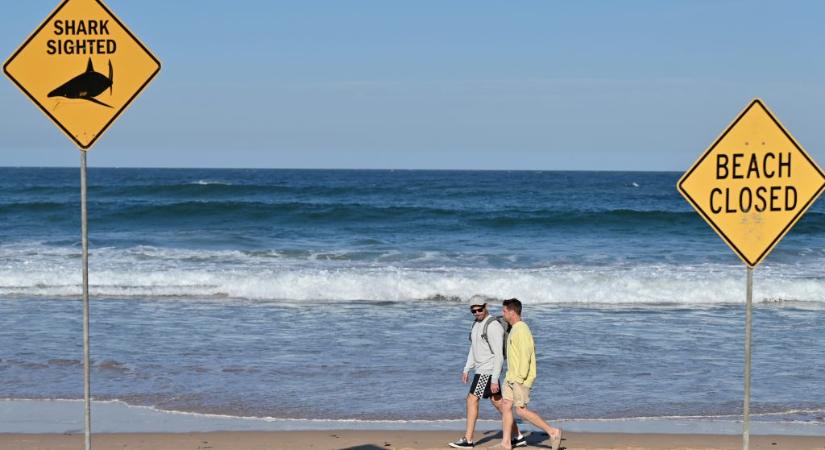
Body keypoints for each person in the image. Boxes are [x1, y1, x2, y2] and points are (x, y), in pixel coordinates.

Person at [449, 302, 526, 448]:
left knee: (472, 399)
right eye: (474, 311)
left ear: (485, 307)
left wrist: (495, 379)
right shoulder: (475, 325)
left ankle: (468, 440)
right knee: (498, 403)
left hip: (488, 370)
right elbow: (474, 348)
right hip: (481, 370)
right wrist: (467, 368)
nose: (477, 313)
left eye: (479, 309)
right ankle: (518, 436)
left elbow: (498, 355)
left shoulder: (493, 326)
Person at [500, 298, 562, 450]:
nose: (503, 314)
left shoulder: (522, 329)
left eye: (504, 311)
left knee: (521, 411)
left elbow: (526, 355)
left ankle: (553, 432)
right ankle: (506, 443)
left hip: (519, 378)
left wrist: (519, 379)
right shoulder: (513, 328)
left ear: (512, 312)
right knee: (506, 406)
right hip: (511, 377)